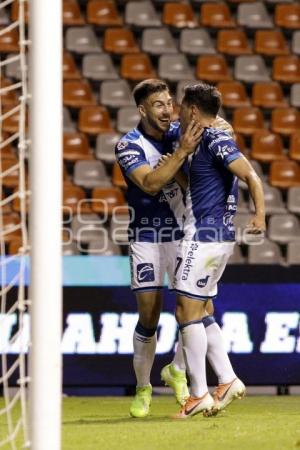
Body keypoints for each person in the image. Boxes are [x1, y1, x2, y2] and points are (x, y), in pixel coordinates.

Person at [172, 82, 266, 419]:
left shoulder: (215, 139)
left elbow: (250, 176)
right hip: (213, 237)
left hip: (204, 236)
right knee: (202, 307)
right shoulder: (198, 139)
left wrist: (259, 214)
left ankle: (198, 394)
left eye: (181, 107)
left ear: (193, 110)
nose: (177, 112)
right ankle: (226, 379)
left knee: (186, 311)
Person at [115, 79, 203, 418]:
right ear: (142, 110)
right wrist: (181, 153)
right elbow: (150, 183)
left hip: (183, 234)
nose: (167, 110)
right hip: (147, 236)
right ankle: (143, 387)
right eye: (159, 105)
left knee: (197, 309)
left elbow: (215, 127)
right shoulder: (128, 145)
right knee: (149, 316)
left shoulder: (180, 132)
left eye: (169, 103)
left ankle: (177, 370)